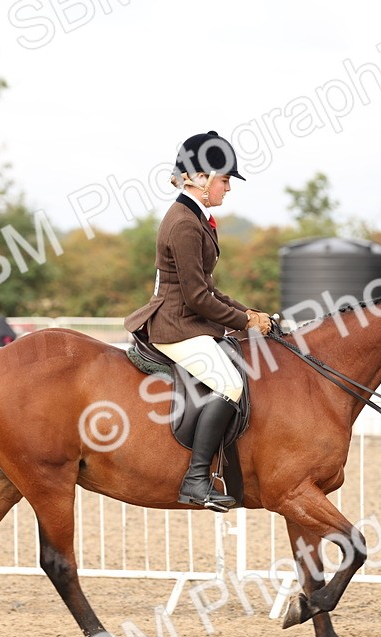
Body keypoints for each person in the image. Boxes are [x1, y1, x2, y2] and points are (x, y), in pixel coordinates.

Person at [123, 131, 273, 512]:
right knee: (229, 384)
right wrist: (243, 321)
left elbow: (209, 287)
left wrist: (252, 315)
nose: (227, 188)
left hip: (189, 320)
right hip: (176, 326)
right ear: (201, 178)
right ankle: (196, 480)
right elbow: (197, 297)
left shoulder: (195, 217)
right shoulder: (184, 224)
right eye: (224, 180)